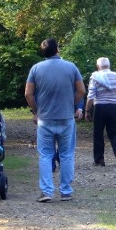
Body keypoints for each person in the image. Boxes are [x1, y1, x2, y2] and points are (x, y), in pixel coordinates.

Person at [25, 38, 85, 202]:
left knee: (45, 155)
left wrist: (36, 111)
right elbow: (81, 90)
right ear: (57, 49)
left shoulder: (36, 69)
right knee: (66, 154)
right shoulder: (71, 67)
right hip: (66, 118)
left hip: (45, 119)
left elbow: (28, 93)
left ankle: (46, 191)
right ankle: (66, 191)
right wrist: (71, 105)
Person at [85, 57, 116, 166]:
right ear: (109, 65)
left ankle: (99, 159)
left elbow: (91, 96)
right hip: (114, 107)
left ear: (98, 66)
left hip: (99, 108)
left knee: (98, 133)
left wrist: (87, 110)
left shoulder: (95, 77)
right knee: (115, 132)